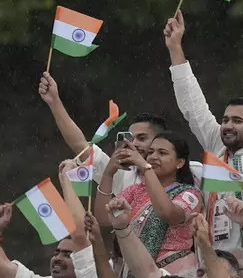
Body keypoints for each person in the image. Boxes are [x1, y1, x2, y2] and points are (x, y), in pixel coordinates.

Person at [164, 10, 243, 262]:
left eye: (238, 121)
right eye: (225, 120)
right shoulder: (217, 146)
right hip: (215, 263)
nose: (228, 125)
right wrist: (175, 48)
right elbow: (193, 107)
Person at [95, 132, 203, 278]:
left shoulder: (189, 193)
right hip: (136, 273)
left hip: (175, 273)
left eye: (162, 153)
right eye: (151, 152)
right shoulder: (136, 190)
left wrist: (145, 167)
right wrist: (108, 173)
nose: (153, 156)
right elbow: (104, 218)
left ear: (180, 163)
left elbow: (167, 213)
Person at [38, 71, 173, 195]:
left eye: (142, 138)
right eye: (131, 139)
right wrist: (54, 101)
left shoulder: (190, 171)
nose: (134, 144)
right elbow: (81, 146)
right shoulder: (122, 176)